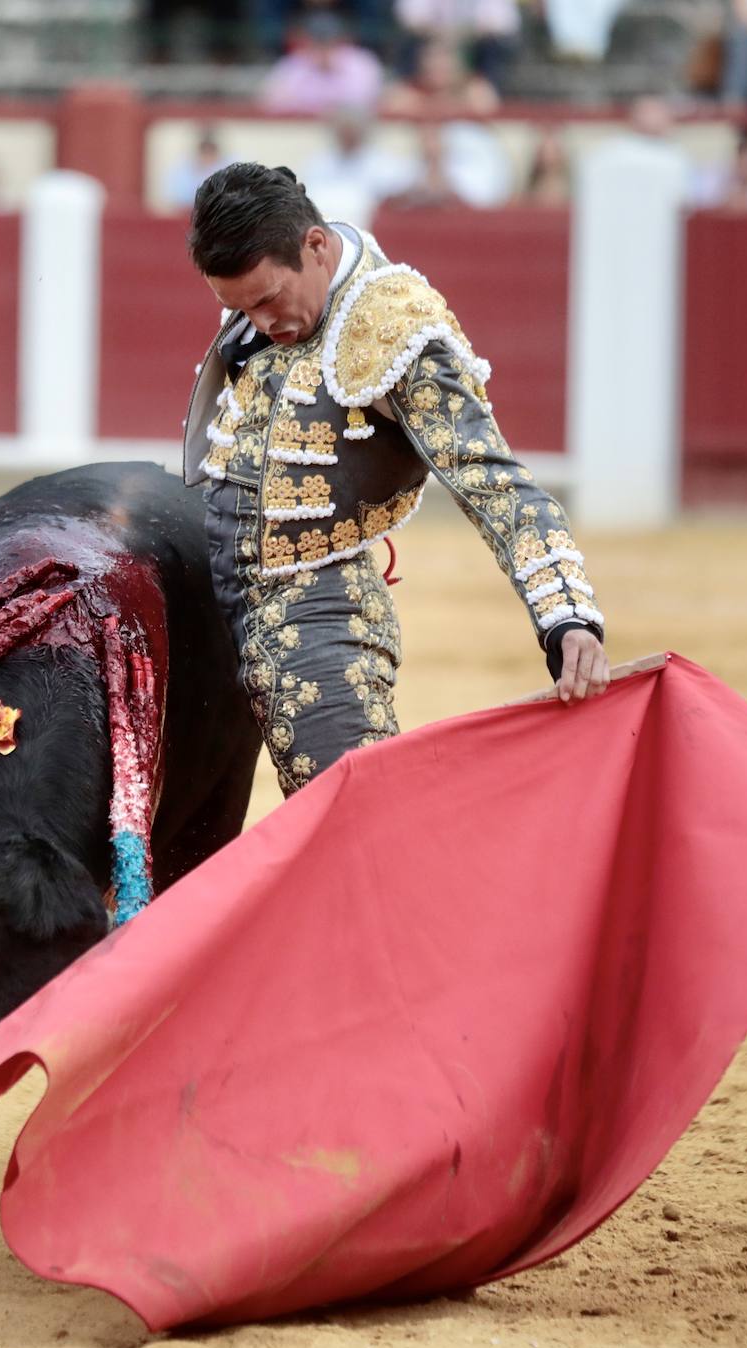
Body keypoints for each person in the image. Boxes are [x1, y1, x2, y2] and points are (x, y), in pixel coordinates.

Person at [182, 163, 608, 795]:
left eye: (268, 299)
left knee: (354, 818)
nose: (261, 322)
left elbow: (490, 477)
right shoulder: (275, 299)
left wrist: (567, 615)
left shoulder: (393, 328)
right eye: (239, 307)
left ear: (316, 246)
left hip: (316, 609)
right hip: (209, 590)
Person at [260, 10, 385, 115]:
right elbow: (272, 104)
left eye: (329, 41)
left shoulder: (362, 63)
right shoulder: (292, 65)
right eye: (317, 41)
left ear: (342, 40)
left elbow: (366, 103)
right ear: (306, 41)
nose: (323, 48)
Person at [163, 126, 231, 212]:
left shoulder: (227, 168)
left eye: (210, 150)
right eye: (204, 150)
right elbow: (178, 200)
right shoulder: (183, 170)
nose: (207, 155)